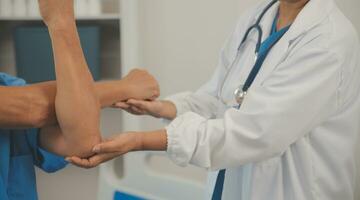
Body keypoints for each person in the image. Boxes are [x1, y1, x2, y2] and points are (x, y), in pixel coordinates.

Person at [68, 0, 360, 199]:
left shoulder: (329, 40)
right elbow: (222, 97)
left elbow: (254, 133)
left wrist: (139, 141)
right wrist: (167, 107)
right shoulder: (255, 19)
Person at [0, 0, 159, 199]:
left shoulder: (6, 84)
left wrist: (63, 23)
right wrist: (124, 87)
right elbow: (34, 107)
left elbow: (83, 143)